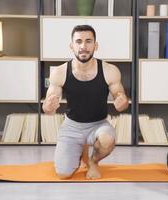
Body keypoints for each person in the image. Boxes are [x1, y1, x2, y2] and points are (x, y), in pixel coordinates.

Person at [42, 25, 129, 179]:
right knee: (63, 174)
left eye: (88, 41)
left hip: (99, 125)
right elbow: (47, 109)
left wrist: (122, 103)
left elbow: (121, 101)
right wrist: (48, 107)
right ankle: (80, 149)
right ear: (71, 46)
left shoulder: (110, 70)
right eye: (79, 41)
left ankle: (93, 162)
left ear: (96, 45)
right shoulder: (59, 72)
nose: (83, 46)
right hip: (72, 126)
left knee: (107, 141)